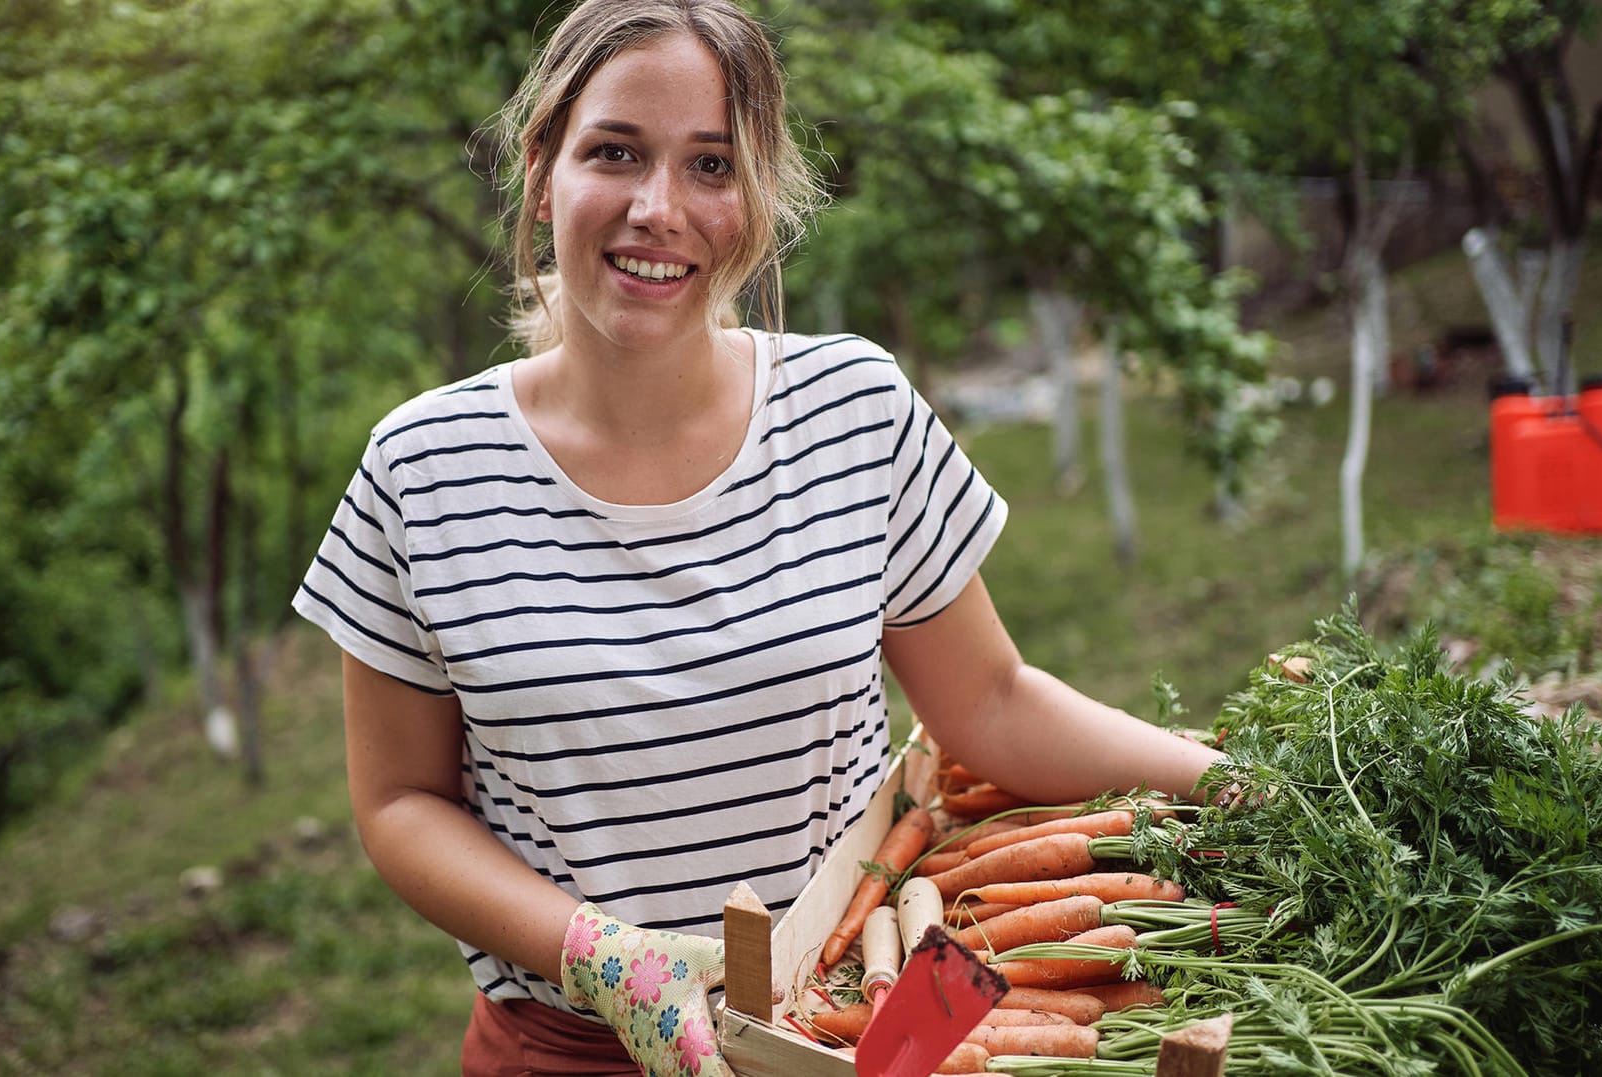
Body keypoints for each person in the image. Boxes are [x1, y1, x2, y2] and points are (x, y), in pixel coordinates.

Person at [291, 1, 1227, 1074]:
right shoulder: (423, 467)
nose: (658, 207)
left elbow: (990, 702)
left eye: (711, 166)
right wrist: (596, 953)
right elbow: (402, 802)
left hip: (858, 1031)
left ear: (759, 204)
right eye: (615, 152)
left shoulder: (853, 408)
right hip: (572, 1050)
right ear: (541, 169)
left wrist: (1226, 778)